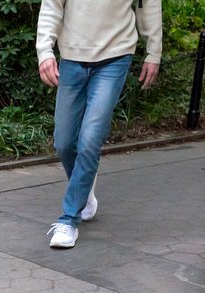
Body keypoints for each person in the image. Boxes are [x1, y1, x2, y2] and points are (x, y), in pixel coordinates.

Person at [36, 0, 162, 249]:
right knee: (63, 142)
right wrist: (45, 51)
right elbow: (52, 5)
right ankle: (85, 191)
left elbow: (148, 5)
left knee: (91, 138)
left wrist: (153, 51)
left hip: (115, 56)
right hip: (72, 56)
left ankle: (69, 219)